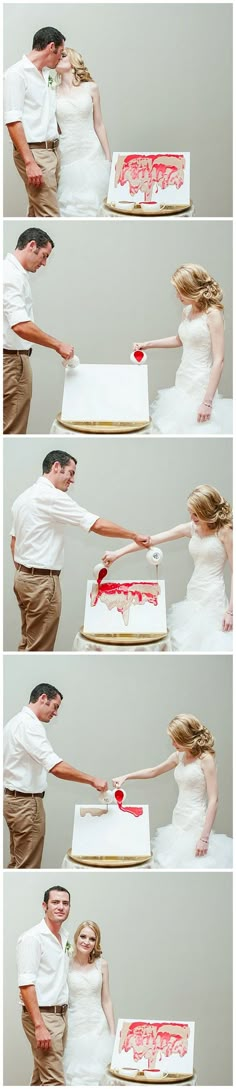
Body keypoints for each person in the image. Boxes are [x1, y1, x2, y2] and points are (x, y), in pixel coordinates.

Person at [10, 448, 149, 652]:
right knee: (39, 648)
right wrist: (133, 535)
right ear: (56, 467)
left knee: (27, 642)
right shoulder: (52, 497)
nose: (72, 480)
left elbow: (14, 541)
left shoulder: (23, 497)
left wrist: (25, 572)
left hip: (22, 579)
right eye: (71, 472)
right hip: (42, 584)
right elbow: (96, 524)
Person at [102, 484, 233, 651]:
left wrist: (230, 612)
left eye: (196, 513)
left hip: (214, 596)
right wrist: (117, 553)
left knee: (211, 644)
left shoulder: (225, 531)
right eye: (190, 512)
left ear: (207, 509)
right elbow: (149, 540)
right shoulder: (191, 528)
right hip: (194, 592)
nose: (192, 517)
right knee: (187, 644)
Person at [4, 682, 108, 869]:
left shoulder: (14, 722)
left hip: (12, 802)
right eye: (55, 706)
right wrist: (93, 780)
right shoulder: (29, 725)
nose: (56, 713)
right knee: (28, 867)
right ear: (43, 698)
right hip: (27, 806)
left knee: (17, 864)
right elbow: (55, 767)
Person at [112, 714, 233, 870]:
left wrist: (204, 838)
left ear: (186, 737)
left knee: (194, 865)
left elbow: (213, 800)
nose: (172, 743)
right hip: (179, 816)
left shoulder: (205, 759)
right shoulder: (179, 756)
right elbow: (154, 771)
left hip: (196, 820)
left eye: (176, 739)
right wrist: (126, 776)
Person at [133, 264, 232, 435]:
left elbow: (219, 360)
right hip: (183, 378)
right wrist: (147, 344)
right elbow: (180, 339)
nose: (177, 296)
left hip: (201, 383)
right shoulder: (187, 311)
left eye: (180, 291)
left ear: (192, 289)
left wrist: (207, 402)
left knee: (198, 429)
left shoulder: (213, 314)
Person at [3, 228, 74, 434]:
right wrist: (58, 345)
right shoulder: (11, 276)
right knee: (11, 431)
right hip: (11, 363)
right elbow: (20, 325)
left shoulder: (8, 271)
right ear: (32, 245)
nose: (44, 263)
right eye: (44, 256)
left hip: (10, 361)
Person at [4, 27, 66, 217]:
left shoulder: (47, 75)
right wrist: (30, 162)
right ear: (51, 47)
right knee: (50, 215)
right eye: (61, 53)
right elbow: (13, 121)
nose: (61, 58)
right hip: (36, 153)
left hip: (53, 151)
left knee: (37, 210)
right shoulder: (16, 74)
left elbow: (48, 107)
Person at [17, 885, 71, 1085]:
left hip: (61, 1015)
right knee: (55, 1081)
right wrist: (39, 1025)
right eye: (55, 902)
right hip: (43, 1016)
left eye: (65, 903)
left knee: (42, 1078)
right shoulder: (32, 938)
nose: (60, 907)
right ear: (44, 906)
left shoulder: (65, 936)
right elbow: (25, 984)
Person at [55, 48, 111, 216]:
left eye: (63, 55)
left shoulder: (91, 88)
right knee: (70, 205)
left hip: (91, 150)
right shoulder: (51, 91)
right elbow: (54, 127)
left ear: (73, 61)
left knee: (95, 201)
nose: (58, 58)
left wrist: (108, 156)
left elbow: (99, 124)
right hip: (67, 151)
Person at [64, 920, 115, 1085]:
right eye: (83, 936)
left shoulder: (102, 965)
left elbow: (106, 1000)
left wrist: (112, 1032)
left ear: (96, 942)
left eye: (92, 939)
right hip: (74, 1026)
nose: (86, 942)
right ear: (76, 937)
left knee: (97, 1075)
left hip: (97, 1026)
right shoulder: (65, 963)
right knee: (74, 1076)